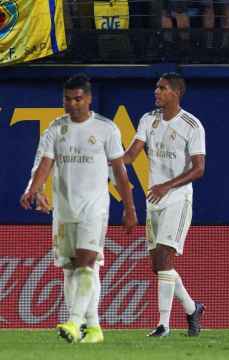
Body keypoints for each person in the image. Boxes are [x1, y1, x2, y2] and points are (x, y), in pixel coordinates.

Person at [20, 74, 137, 343]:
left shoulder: (107, 129)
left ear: (88, 98)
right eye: (67, 99)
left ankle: (73, 322)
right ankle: (93, 327)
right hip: (64, 211)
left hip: (93, 210)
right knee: (72, 269)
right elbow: (45, 165)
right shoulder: (55, 129)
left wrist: (129, 208)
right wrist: (33, 190)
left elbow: (120, 172)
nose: (72, 104)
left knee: (86, 261)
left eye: (78, 99)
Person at [123, 72, 206, 337]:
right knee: (158, 265)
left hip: (177, 199)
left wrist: (167, 186)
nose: (156, 92)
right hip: (153, 200)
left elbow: (199, 169)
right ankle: (192, 308)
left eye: (162, 88)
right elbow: (131, 154)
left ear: (176, 92)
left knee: (164, 258)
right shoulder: (149, 119)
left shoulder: (192, 126)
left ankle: (163, 325)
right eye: (156, 87)